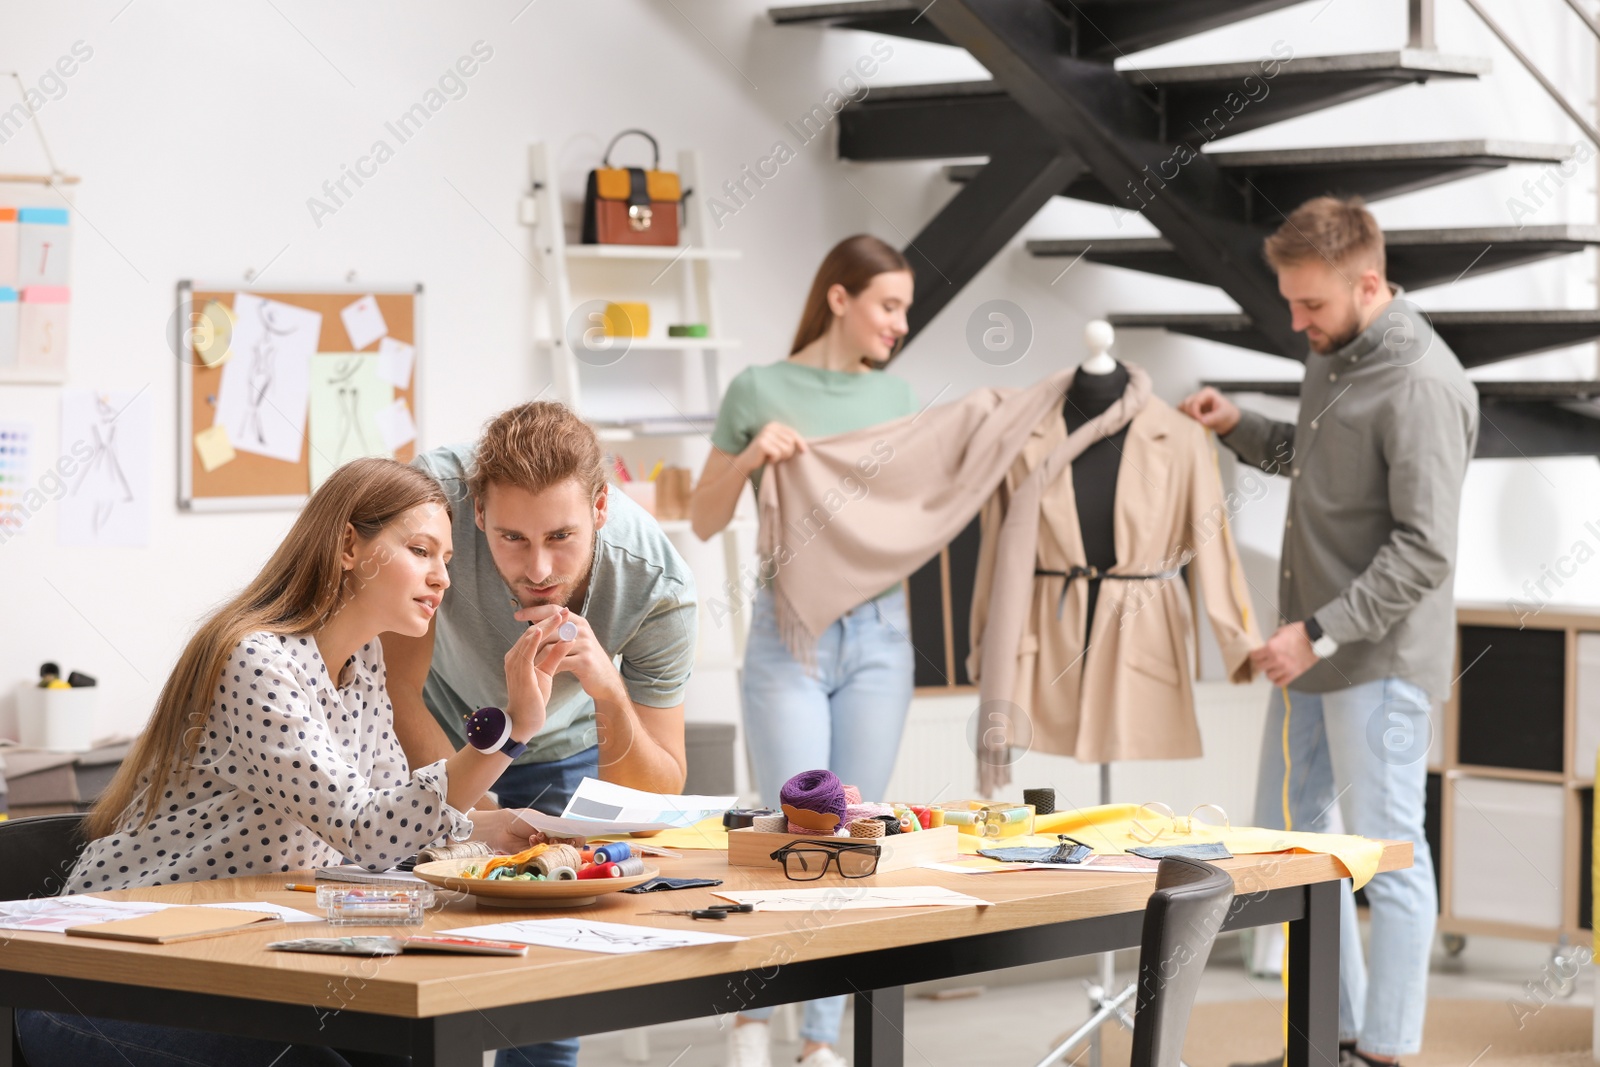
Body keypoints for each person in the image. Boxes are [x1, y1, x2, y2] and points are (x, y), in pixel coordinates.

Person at [19, 458, 568, 1067]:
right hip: (99, 985)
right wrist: (511, 731)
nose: (442, 578)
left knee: (403, 1049)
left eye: (445, 560)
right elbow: (369, 834)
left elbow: (393, 818)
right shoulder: (256, 661)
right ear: (347, 546)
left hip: (223, 971)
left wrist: (496, 830)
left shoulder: (363, 667)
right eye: (420, 550)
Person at [1179, 196, 1477, 1067]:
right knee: (1303, 842)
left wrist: (1317, 632)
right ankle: (1330, 1036)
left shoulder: (1425, 384)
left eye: (1310, 304)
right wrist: (1240, 428)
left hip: (1373, 656)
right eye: (1291, 301)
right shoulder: (1335, 352)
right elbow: (1316, 467)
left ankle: (1383, 1051)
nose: (1296, 320)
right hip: (1309, 650)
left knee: (1388, 853)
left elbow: (1425, 551)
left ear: (1369, 282)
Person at [388, 400, 698, 1067]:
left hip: (565, 750)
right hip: (437, 734)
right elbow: (394, 690)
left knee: (544, 991)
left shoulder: (658, 587)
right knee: (421, 966)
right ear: (475, 514)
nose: (538, 568)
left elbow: (657, 785)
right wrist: (468, 810)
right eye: (512, 539)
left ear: (600, 508)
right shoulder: (427, 504)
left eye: (561, 536)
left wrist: (607, 690)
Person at [691, 234, 920, 1067]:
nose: (898, 323)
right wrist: (756, 453)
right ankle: (751, 1020)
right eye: (888, 305)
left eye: (904, 309)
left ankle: (819, 1042)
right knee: (788, 832)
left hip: (881, 638)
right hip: (786, 635)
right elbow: (705, 516)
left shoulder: (900, 396)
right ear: (839, 298)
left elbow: (912, 519)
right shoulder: (758, 389)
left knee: (850, 842)